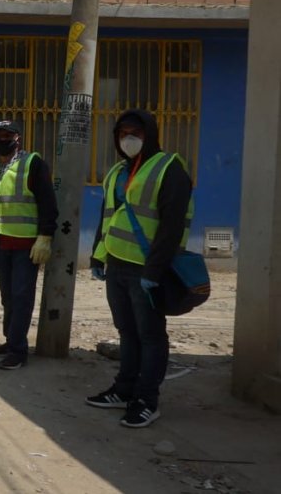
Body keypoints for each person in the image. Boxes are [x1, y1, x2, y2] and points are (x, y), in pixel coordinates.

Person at [87, 110, 193, 429]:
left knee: (150, 335)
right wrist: (97, 255)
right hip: (117, 264)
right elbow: (109, 216)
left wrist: (154, 271)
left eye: (135, 132)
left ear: (150, 134)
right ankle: (124, 389)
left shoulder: (169, 168)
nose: (128, 138)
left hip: (147, 269)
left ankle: (147, 400)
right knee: (127, 332)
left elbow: (172, 227)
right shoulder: (118, 171)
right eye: (122, 133)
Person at [0, 120, 58, 370]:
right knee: (8, 296)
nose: (3, 139)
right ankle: (10, 340)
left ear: (17, 138)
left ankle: (19, 350)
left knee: (21, 296)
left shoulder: (32, 164)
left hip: (25, 245)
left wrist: (45, 236)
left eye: (8, 135)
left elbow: (48, 203)